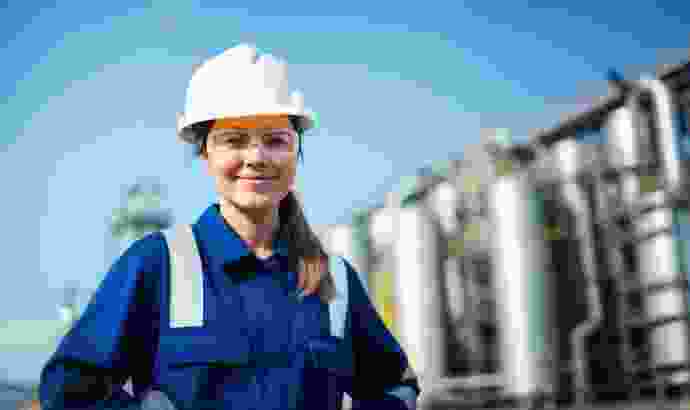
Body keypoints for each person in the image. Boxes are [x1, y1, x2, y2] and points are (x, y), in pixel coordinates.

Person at [38, 44, 421, 410]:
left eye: (275, 140)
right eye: (234, 140)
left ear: (296, 151)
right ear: (205, 152)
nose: (256, 157)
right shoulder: (157, 265)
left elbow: (394, 386)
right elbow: (69, 391)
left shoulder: (333, 281)